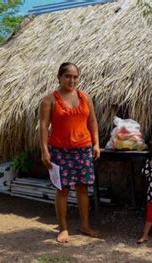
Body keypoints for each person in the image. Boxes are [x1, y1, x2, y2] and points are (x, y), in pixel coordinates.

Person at [39, 62, 100, 243]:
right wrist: (44, 150)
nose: (71, 80)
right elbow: (43, 126)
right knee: (62, 190)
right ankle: (63, 228)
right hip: (59, 150)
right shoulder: (49, 99)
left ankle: (85, 226)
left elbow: (93, 122)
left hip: (83, 149)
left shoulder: (85, 97)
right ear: (59, 77)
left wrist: (96, 144)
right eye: (67, 76)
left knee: (82, 188)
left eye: (75, 77)